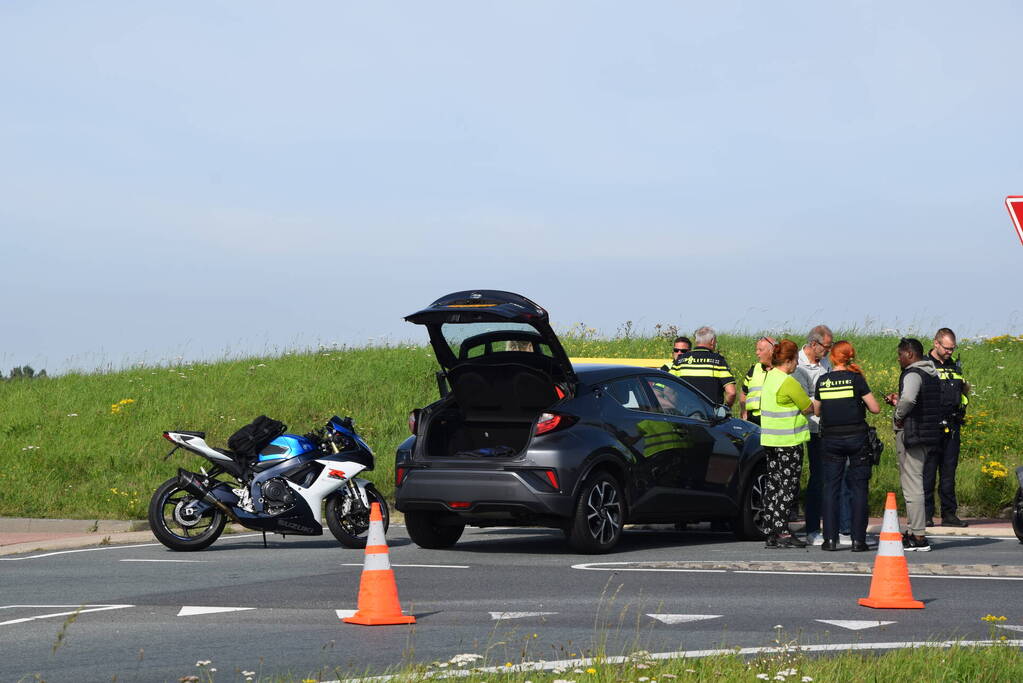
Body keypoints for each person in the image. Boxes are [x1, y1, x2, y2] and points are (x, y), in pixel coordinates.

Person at [812, 341, 881, 552]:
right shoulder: (856, 379)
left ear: (832, 357)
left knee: (831, 489)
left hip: (831, 440)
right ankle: (858, 541)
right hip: (857, 439)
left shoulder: (823, 381)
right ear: (850, 357)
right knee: (859, 488)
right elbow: (875, 408)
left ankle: (829, 540)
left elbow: (816, 411)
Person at [884, 337, 942, 552]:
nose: (898, 359)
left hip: (913, 434)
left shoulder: (913, 373)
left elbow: (909, 399)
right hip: (928, 433)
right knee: (916, 481)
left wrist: (898, 414)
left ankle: (918, 535)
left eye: (900, 355)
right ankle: (914, 530)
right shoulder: (931, 373)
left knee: (912, 485)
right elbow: (923, 401)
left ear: (909, 354)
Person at [760, 339, 814, 549]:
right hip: (789, 441)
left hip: (770, 440)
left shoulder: (769, 377)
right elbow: (808, 407)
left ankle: (770, 530)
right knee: (788, 486)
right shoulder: (788, 381)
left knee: (773, 485)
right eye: (796, 361)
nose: (797, 365)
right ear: (789, 360)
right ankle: (783, 531)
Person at [924, 328, 971, 528]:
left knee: (949, 472)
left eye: (953, 348)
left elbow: (962, 394)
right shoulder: (925, 365)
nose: (950, 352)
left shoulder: (954, 366)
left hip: (952, 425)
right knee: (928, 472)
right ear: (936, 343)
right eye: (947, 348)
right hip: (931, 425)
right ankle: (925, 514)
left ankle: (949, 514)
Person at [793, 325, 834, 546]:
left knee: (827, 478)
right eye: (826, 346)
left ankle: (830, 525)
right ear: (813, 344)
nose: (828, 351)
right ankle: (811, 528)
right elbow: (804, 400)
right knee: (815, 479)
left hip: (826, 427)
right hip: (807, 428)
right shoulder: (798, 365)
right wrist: (822, 400)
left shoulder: (826, 363)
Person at [667, 327, 736, 407]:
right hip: (710, 412)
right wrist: (726, 408)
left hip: (685, 411)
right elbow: (731, 392)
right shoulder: (718, 361)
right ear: (712, 341)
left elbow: (668, 389)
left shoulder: (680, 360)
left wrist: (676, 407)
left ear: (696, 341)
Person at [740, 336, 776, 425]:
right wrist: (744, 412)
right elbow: (743, 393)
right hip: (752, 421)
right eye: (757, 349)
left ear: (772, 351)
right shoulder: (754, 369)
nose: (757, 353)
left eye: (760, 350)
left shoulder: (781, 371)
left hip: (772, 421)